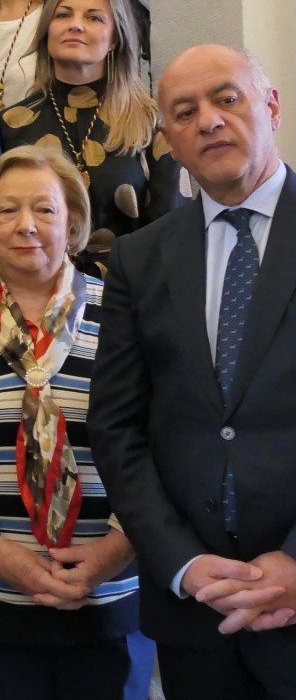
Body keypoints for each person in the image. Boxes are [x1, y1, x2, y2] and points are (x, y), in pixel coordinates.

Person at [90, 45, 296, 698]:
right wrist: (181, 563)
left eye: (226, 98)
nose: (207, 120)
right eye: (184, 111)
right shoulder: (137, 259)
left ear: (271, 107)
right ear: (169, 141)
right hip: (192, 613)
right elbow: (117, 429)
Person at [0, 145, 150, 700]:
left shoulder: (125, 314)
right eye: (6, 210)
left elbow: (158, 439)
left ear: (73, 222)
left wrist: (114, 549)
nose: (26, 226)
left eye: (44, 209)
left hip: (110, 590)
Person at [0, 0, 182, 276]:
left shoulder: (152, 124)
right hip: (33, 292)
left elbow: (173, 229)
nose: (76, 24)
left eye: (94, 18)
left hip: (130, 294)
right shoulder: (8, 125)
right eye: (63, 14)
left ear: (114, 40)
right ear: (47, 31)